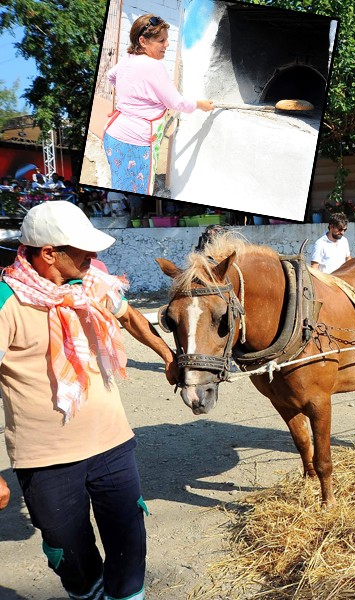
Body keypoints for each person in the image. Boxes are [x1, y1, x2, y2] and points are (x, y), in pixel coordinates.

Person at [0, 201, 178, 600]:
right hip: (46, 459)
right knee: (70, 554)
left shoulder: (93, 285)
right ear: (48, 253)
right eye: (82, 250)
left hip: (112, 443)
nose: (94, 257)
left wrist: (168, 356)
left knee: (129, 541)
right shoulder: (6, 302)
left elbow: (130, 316)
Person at [104, 14, 214, 195]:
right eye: (161, 40)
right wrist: (200, 104)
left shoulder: (128, 58)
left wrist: (131, 96)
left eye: (167, 40)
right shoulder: (153, 66)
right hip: (136, 143)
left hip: (113, 134)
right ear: (143, 41)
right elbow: (176, 102)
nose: (167, 45)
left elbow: (111, 76)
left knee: (120, 182)